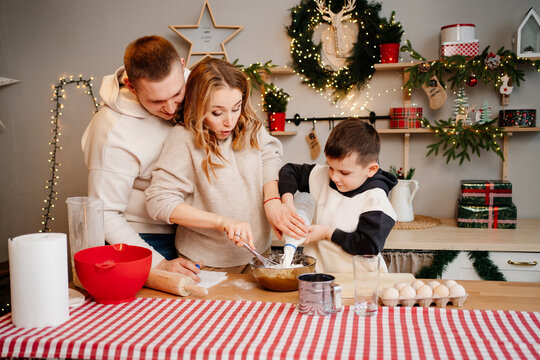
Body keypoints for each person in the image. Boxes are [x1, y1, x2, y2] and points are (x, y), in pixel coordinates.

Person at [145, 57, 305, 272]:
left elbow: (270, 155)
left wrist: (272, 200)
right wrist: (222, 222)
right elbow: (159, 202)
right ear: (197, 105)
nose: (230, 121)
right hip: (207, 263)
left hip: (259, 254)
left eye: (236, 107)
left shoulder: (249, 124)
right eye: (217, 113)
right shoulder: (183, 138)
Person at [81, 35, 201, 280]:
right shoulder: (112, 130)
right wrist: (158, 264)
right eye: (156, 101)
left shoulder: (196, 85)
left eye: (177, 93)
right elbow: (104, 214)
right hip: (145, 240)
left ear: (182, 66)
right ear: (132, 86)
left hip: (194, 234)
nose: (171, 107)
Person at [278, 119, 398, 273]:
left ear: (371, 169)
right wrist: (287, 202)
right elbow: (289, 171)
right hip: (319, 278)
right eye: (330, 167)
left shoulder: (375, 199)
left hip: (361, 284)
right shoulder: (321, 176)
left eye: (344, 172)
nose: (334, 177)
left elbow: (368, 245)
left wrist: (328, 233)